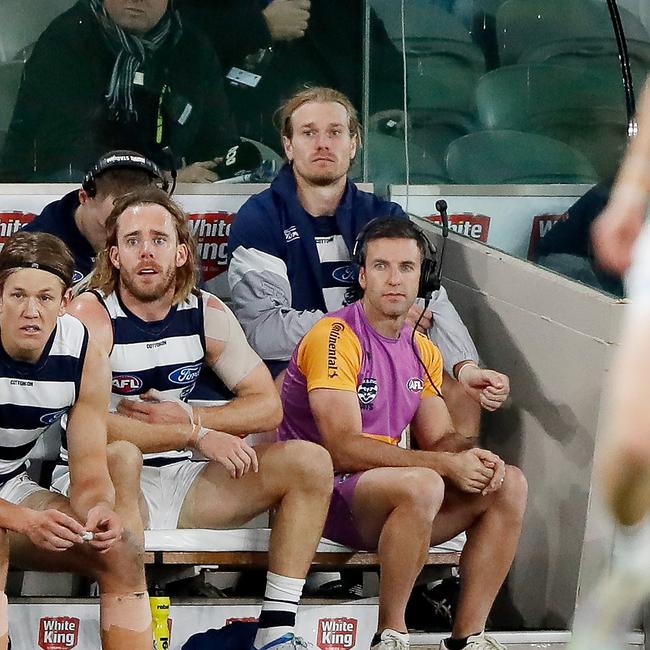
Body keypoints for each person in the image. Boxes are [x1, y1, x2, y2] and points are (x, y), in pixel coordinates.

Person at [63, 187, 333, 650]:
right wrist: (194, 434)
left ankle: (276, 631)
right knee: (122, 454)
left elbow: (266, 405)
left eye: (158, 239)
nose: (146, 252)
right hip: (110, 481)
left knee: (310, 462)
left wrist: (192, 415)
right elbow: (82, 425)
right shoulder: (91, 314)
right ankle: (132, 623)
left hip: (186, 482)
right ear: (114, 255)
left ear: (182, 251)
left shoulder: (205, 311)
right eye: (132, 241)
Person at [278, 217, 528, 650]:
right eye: (381, 267)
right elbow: (342, 448)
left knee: (509, 484)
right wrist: (444, 464)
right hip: (322, 497)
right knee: (424, 483)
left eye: (406, 268)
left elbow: (439, 439)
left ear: (422, 278)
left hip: (387, 497)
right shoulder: (334, 336)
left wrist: (472, 458)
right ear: (362, 276)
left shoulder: (422, 348)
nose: (394, 280)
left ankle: (469, 636)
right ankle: (391, 633)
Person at [228, 86, 510, 437]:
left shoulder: (383, 215)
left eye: (334, 132)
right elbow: (263, 332)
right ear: (288, 145)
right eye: (308, 133)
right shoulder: (260, 219)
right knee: (290, 389)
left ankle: (456, 486)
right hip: (298, 364)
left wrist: (466, 366)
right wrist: (364, 326)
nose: (322, 144)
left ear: (354, 142)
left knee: (459, 392)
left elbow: (430, 301)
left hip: (382, 357)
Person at [0, 230, 152, 649]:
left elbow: (87, 469)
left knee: (120, 551)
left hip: (9, 486)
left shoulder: (82, 351)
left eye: (45, 298)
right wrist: (25, 521)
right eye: (17, 295)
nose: (31, 311)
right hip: (8, 506)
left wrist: (101, 510)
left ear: (66, 301)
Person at [0, 0, 238, 182]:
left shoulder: (193, 46)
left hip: (165, 197)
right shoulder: (66, 42)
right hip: (69, 195)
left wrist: (220, 167)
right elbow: (71, 155)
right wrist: (160, 178)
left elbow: (218, 139)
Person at [22, 150, 165, 283]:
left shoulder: (165, 238)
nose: (117, 241)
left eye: (133, 236)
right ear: (84, 197)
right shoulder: (36, 247)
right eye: (109, 226)